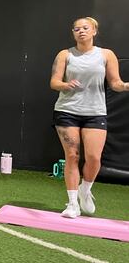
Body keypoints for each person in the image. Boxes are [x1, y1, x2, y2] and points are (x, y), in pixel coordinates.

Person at [50, 17, 128, 218]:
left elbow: (116, 83)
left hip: (95, 113)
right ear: (73, 33)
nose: (81, 31)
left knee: (93, 158)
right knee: (72, 156)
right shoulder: (65, 55)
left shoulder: (106, 55)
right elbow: (54, 82)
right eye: (76, 29)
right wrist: (65, 85)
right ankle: (72, 203)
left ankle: (85, 189)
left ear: (94, 31)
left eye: (85, 28)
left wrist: (127, 86)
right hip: (67, 111)